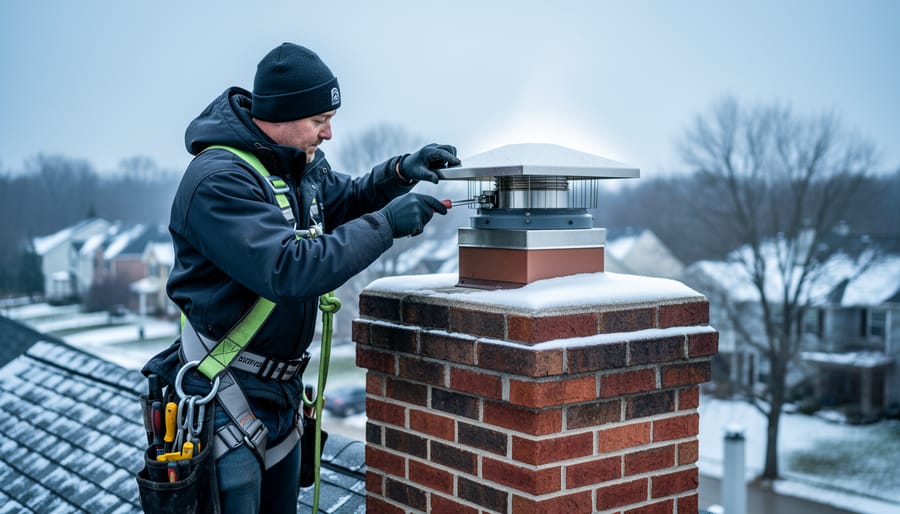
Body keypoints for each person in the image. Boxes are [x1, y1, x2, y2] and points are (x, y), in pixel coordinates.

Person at [142, 42, 460, 513]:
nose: (329, 133)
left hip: (280, 397)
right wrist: (388, 225)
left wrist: (399, 172)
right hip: (227, 393)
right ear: (281, 116)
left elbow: (344, 199)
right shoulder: (219, 181)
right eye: (318, 121)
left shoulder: (295, 167)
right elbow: (288, 268)